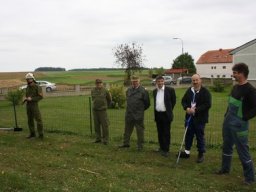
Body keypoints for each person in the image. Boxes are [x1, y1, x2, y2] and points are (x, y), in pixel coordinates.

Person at [216, 63, 256, 185]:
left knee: (242, 150)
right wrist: (226, 116)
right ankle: (225, 168)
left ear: (242, 73)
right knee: (226, 145)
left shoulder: (251, 90)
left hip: (240, 124)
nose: (233, 75)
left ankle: (250, 177)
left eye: (235, 73)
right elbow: (230, 104)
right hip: (228, 121)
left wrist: (244, 118)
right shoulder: (235, 87)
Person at [179, 74, 211, 163]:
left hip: (200, 118)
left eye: (197, 80)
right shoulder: (189, 90)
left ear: (200, 80)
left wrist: (196, 110)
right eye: (193, 80)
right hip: (189, 117)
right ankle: (187, 152)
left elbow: (207, 104)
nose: (195, 82)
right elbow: (183, 101)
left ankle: (201, 154)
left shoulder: (205, 92)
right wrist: (187, 108)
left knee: (199, 136)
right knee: (188, 134)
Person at [119, 75, 150, 151]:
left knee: (140, 131)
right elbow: (128, 99)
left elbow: (147, 103)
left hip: (138, 115)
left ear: (139, 81)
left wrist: (140, 110)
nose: (134, 83)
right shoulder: (129, 90)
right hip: (129, 113)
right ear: (131, 82)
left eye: (136, 81)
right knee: (127, 130)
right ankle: (126, 143)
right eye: (133, 81)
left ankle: (140, 146)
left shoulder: (143, 91)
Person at [153, 75, 176, 157]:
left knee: (166, 133)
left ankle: (166, 149)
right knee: (160, 132)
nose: (160, 83)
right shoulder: (155, 91)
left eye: (161, 81)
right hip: (158, 114)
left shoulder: (170, 90)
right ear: (156, 82)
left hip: (166, 115)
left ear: (164, 82)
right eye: (158, 81)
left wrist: (169, 110)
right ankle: (161, 147)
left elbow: (173, 101)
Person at [91, 79, 112, 145]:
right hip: (95, 110)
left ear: (102, 83)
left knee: (104, 126)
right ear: (95, 84)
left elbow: (109, 99)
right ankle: (98, 138)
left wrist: (105, 106)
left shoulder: (105, 90)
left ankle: (105, 140)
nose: (98, 84)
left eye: (100, 83)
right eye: (97, 83)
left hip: (102, 111)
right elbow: (93, 99)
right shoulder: (93, 90)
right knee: (96, 125)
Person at [24, 73, 44, 139]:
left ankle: (40, 135)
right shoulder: (27, 87)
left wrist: (32, 99)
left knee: (38, 120)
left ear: (33, 79)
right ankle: (32, 134)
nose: (28, 80)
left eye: (29, 79)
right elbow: (27, 95)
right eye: (27, 79)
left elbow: (41, 97)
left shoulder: (37, 87)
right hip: (28, 105)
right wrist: (25, 99)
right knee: (30, 120)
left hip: (34, 105)